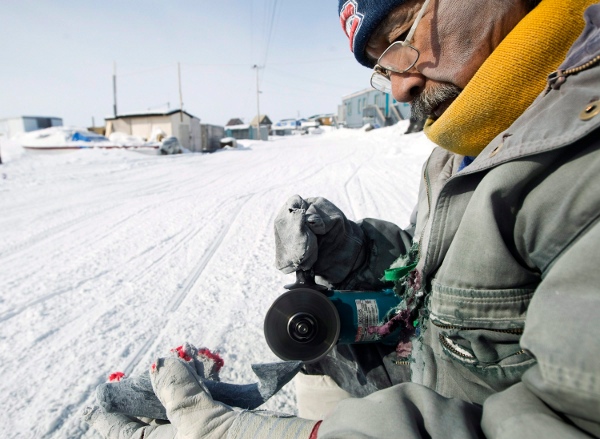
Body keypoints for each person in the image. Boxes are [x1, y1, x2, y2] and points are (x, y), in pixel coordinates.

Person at [84, 0, 600, 437]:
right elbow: (433, 267)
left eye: (400, 38)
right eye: (382, 67)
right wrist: (348, 248)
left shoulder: (583, 167)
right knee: (321, 349)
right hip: (424, 380)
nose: (397, 89)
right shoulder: (460, 146)